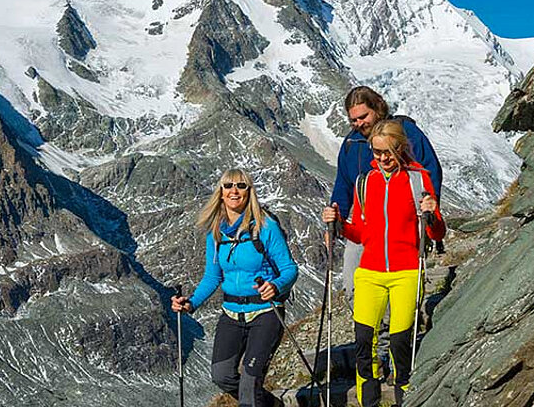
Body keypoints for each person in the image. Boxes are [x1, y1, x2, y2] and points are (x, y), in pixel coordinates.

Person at [322, 120, 445, 407]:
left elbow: (436, 232)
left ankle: (403, 392)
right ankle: (370, 396)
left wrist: (433, 213)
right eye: (377, 153)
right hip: (369, 272)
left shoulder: (418, 179)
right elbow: (362, 233)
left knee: (401, 342)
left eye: (388, 152)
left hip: (406, 271)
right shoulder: (366, 182)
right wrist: (339, 224)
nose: (383, 158)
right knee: (364, 342)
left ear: (401, 148)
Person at [171, 168, 298, 407]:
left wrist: (276, 286)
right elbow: (212, 276)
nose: (234, 190)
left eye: (241, 186)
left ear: (250, 192)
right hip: (231, 313)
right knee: (222, 375)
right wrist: (191, 303)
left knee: (250, 382)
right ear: (220, 192)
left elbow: (290, 269)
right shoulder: (216, 231)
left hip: (266, 312)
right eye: (228, 186)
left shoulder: (266, 226)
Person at [325, 86, 442, 302]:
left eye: (363, 116)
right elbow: (343, 185)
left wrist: (430, 213)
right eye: (354, 120)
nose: (359, 124)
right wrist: (335, 222)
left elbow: (429, 170)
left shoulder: (406, 132)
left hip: (404, 227)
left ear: (377, 107)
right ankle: (369, 334)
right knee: (352, 288)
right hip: (365, 228)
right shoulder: (352, 144)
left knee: (397, 290)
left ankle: (392, 333)